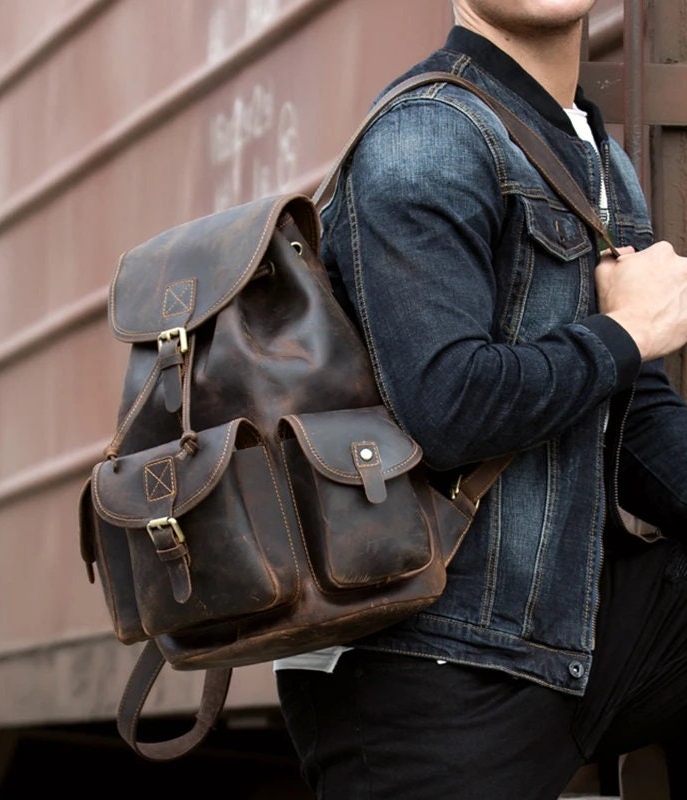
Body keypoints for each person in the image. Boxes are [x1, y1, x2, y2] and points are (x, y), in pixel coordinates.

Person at [273, 2, 687, 797]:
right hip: (433, 663)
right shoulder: (426, 136)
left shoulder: (595, 155)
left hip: (566, 631)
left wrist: (625, 346)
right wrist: (627, 331)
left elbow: (631, 418)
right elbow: (449, 405)